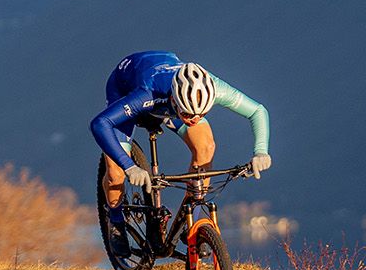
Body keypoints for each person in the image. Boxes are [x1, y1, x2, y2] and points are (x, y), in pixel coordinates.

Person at [91, 51, 270, 226]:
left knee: (206, 147)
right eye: (187, 114)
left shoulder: (214, 89)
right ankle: (115, 220)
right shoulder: (149, 91)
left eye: (201, 114)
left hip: (169, 102)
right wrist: (129, 166)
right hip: (126, 86)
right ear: (174, 99)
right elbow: (100, 123)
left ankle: (192, 215)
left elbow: (257, 111)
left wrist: (261, 151)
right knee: (116, 173)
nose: (194, 120)